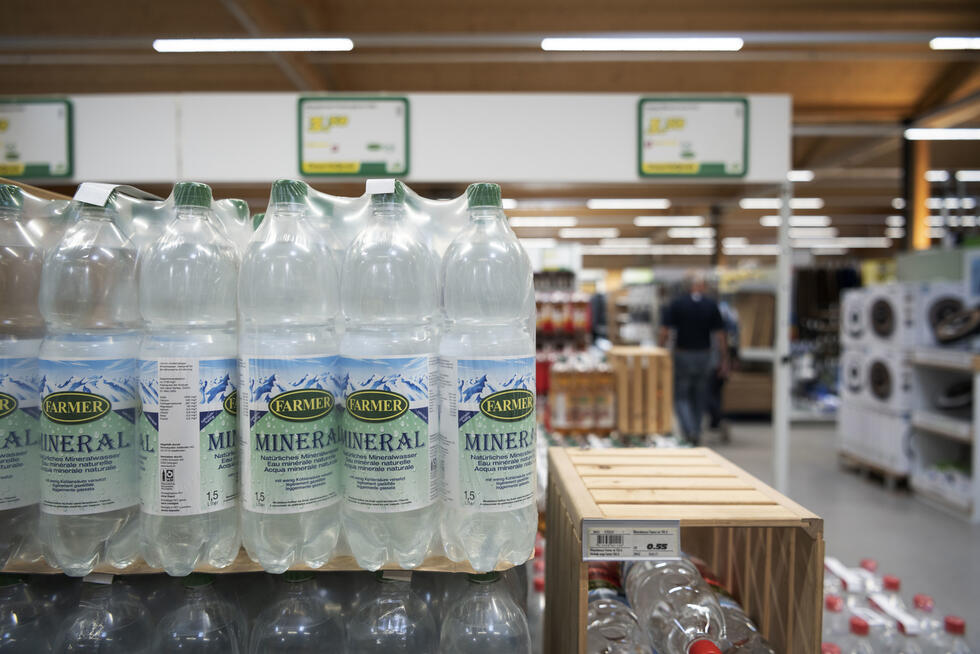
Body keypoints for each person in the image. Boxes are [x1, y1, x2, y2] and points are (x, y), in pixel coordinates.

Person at [658, 272, 729, 445]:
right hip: (704, 356)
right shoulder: (711, 305)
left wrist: (660, 352)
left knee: (681, 396)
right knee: (699, 396)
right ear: (702, 286)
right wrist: (724, 358)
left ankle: (688, 430)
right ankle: (696, 430)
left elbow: (665, 332)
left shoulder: (676, 304)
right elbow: (720, 335)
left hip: (683, 355)